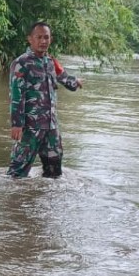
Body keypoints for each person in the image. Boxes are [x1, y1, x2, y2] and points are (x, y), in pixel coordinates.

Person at [6, 21, 82, 178]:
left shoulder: (50, 61)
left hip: (51, 127)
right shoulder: (21, 63)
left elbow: (63, 77)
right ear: (30, 39)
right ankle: (14, 201)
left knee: (54, 173)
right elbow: (16, 95)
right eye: (39, 37)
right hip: (30, 127)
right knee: (17, 173)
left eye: (46, 37)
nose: (43, 41)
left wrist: (75, 83)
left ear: (50, 39)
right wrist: (16, 124)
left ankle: (45, 200)